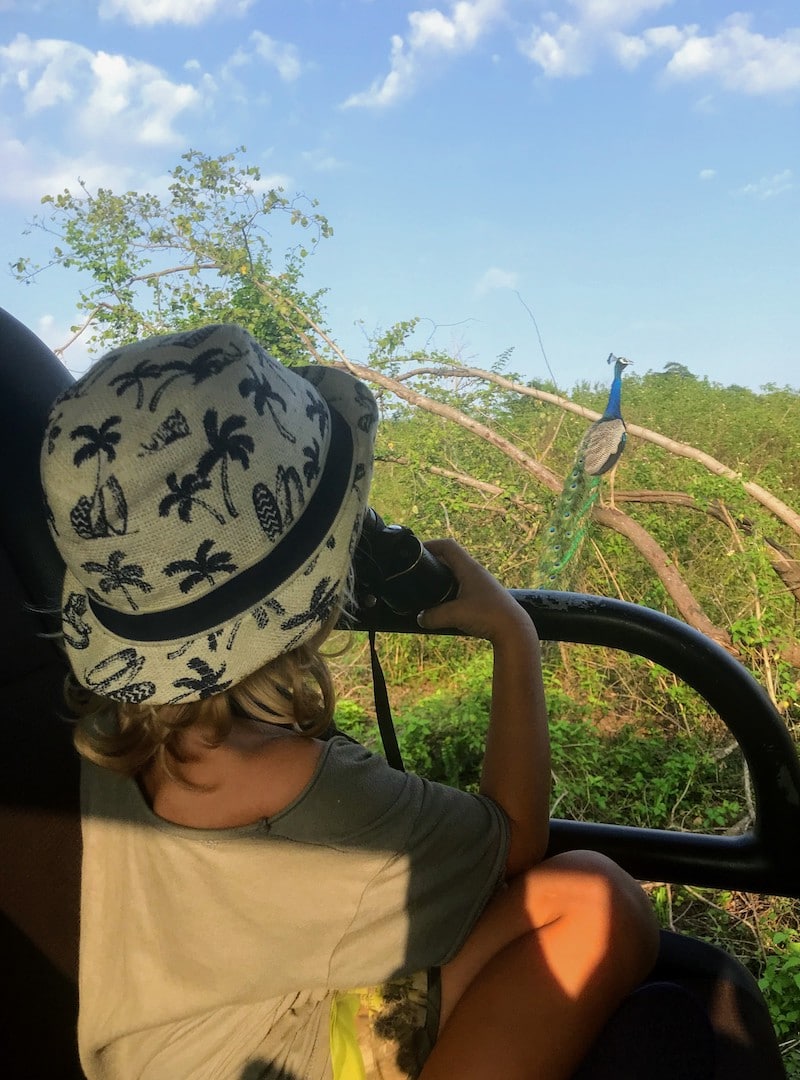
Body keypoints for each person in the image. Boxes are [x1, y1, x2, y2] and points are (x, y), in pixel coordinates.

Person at [41, 324, 659, 1080]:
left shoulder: (110, 728)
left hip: (165, 1052)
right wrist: (512, 631)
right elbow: (516, 841)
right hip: (275, 1060)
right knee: (601, 899)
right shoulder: (305, 788)